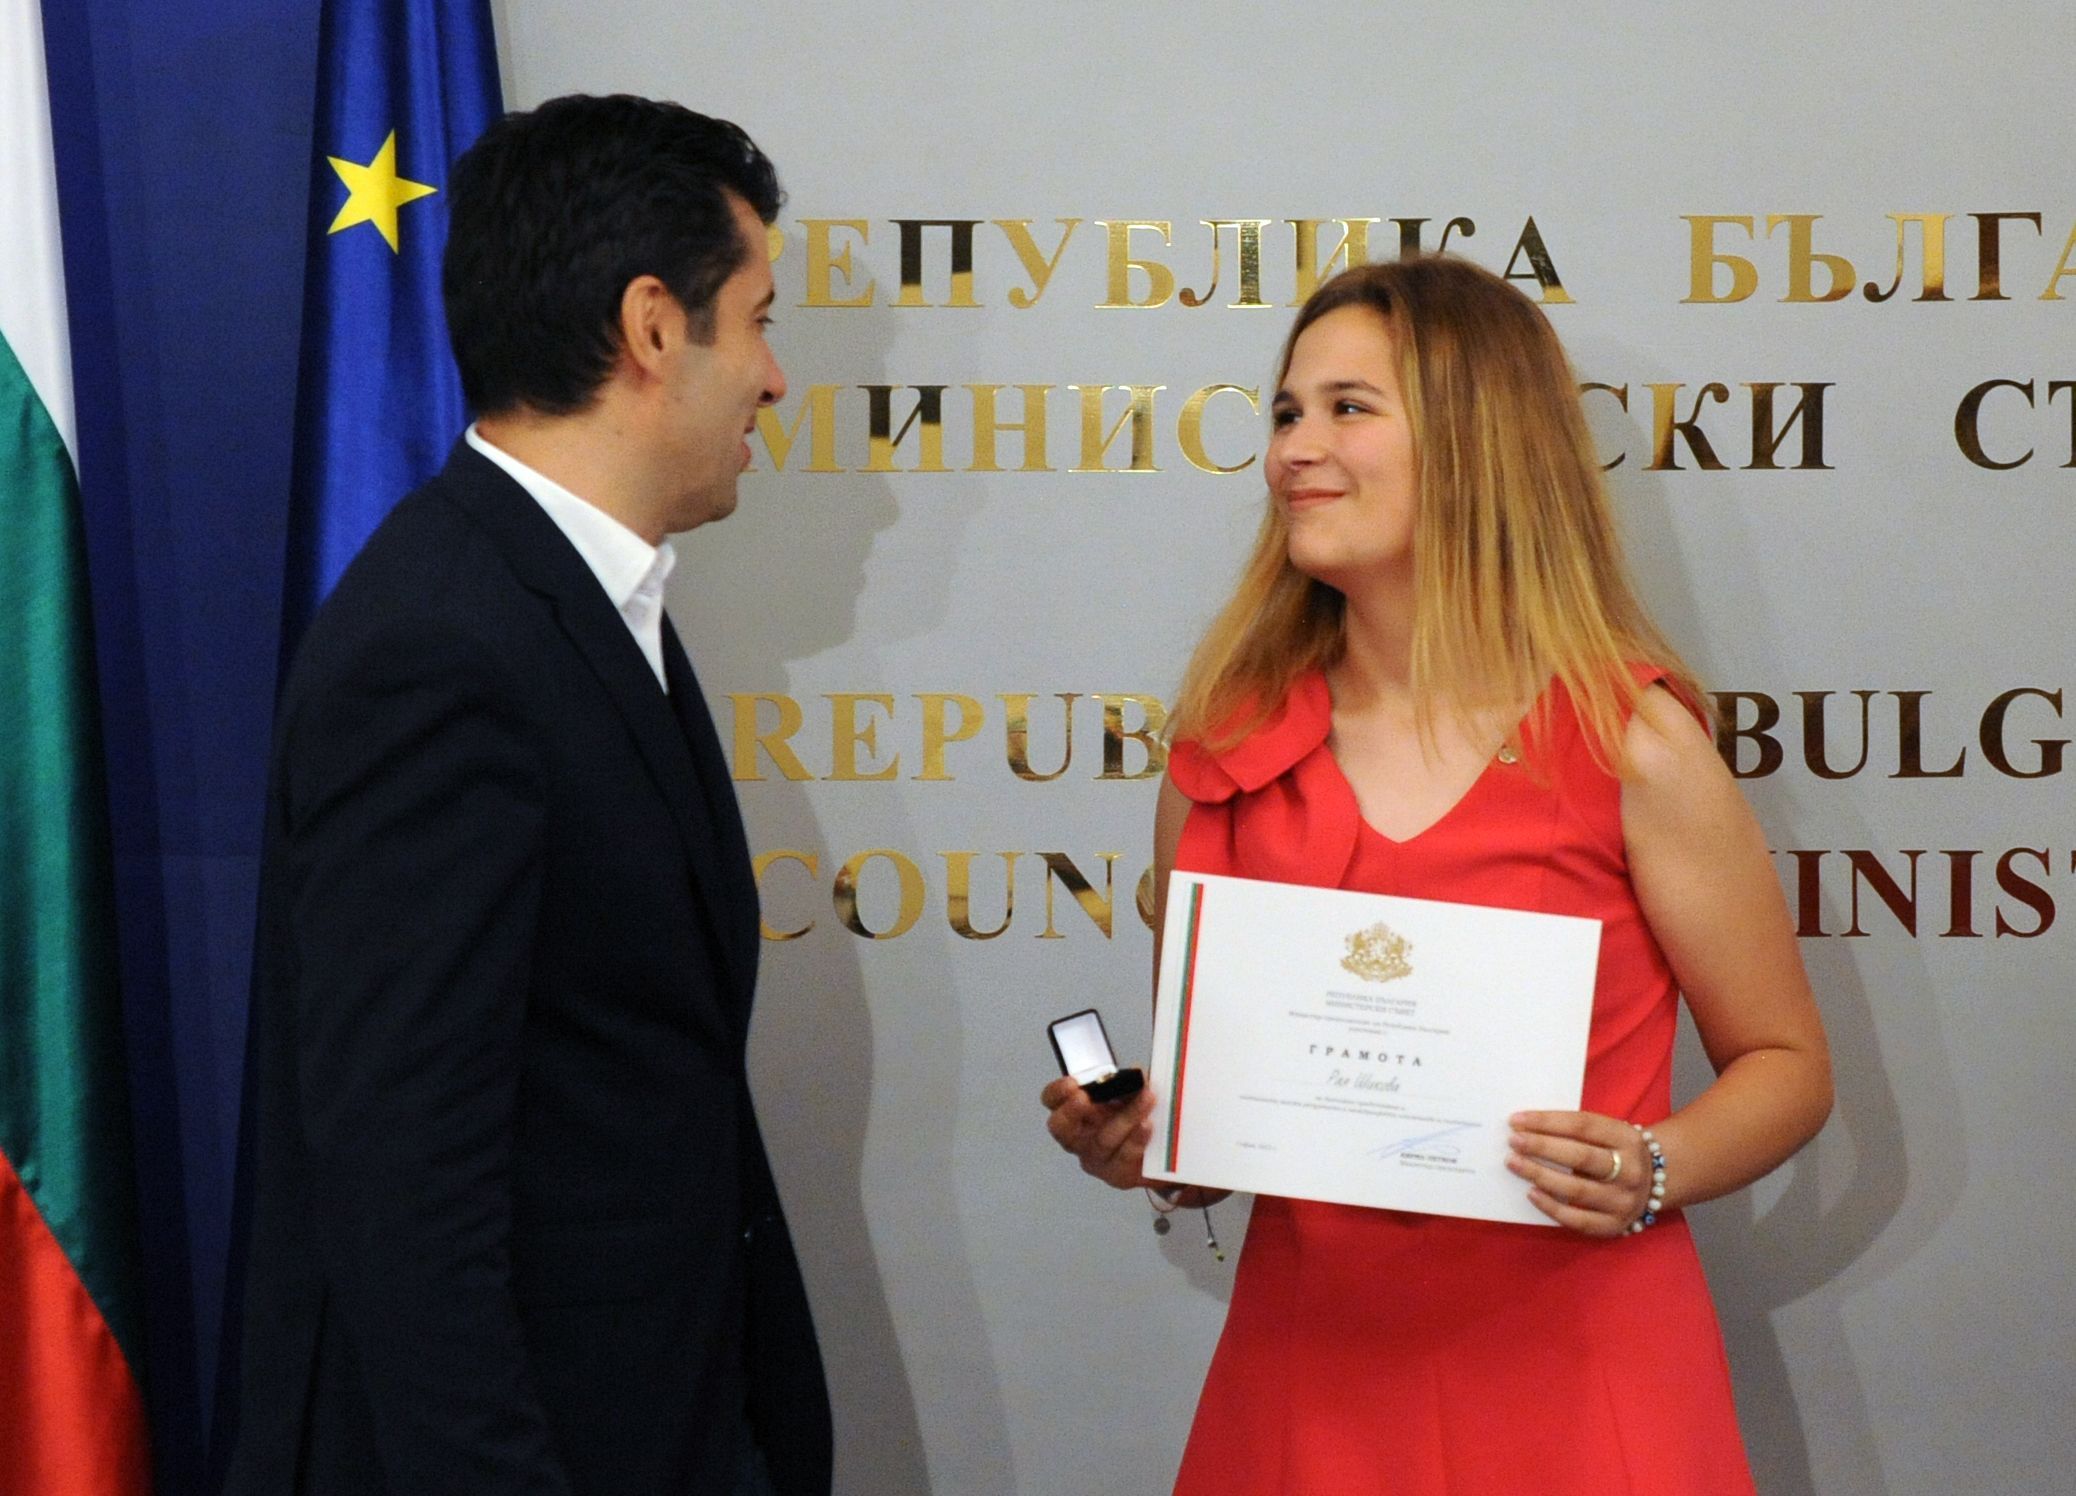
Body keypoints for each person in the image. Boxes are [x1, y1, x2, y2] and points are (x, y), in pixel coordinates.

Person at [1043, 255, 1831, 1494]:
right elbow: (1218, 1137)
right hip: (1311, 1376)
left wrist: (1650, 1166)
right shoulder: (1226, 757)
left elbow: (1786, 1064)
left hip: (1585, 1375)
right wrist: (1147, 1139)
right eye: (1287, 411)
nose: (1295, 448)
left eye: (1348, 407)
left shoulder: (1631, 742)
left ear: (1477, 441)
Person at [226, 95, 831, 1496]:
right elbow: (405, 1190)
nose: (773, 377)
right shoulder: (441, 648)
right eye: (757, 320)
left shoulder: (569, 599)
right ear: (653, 326)